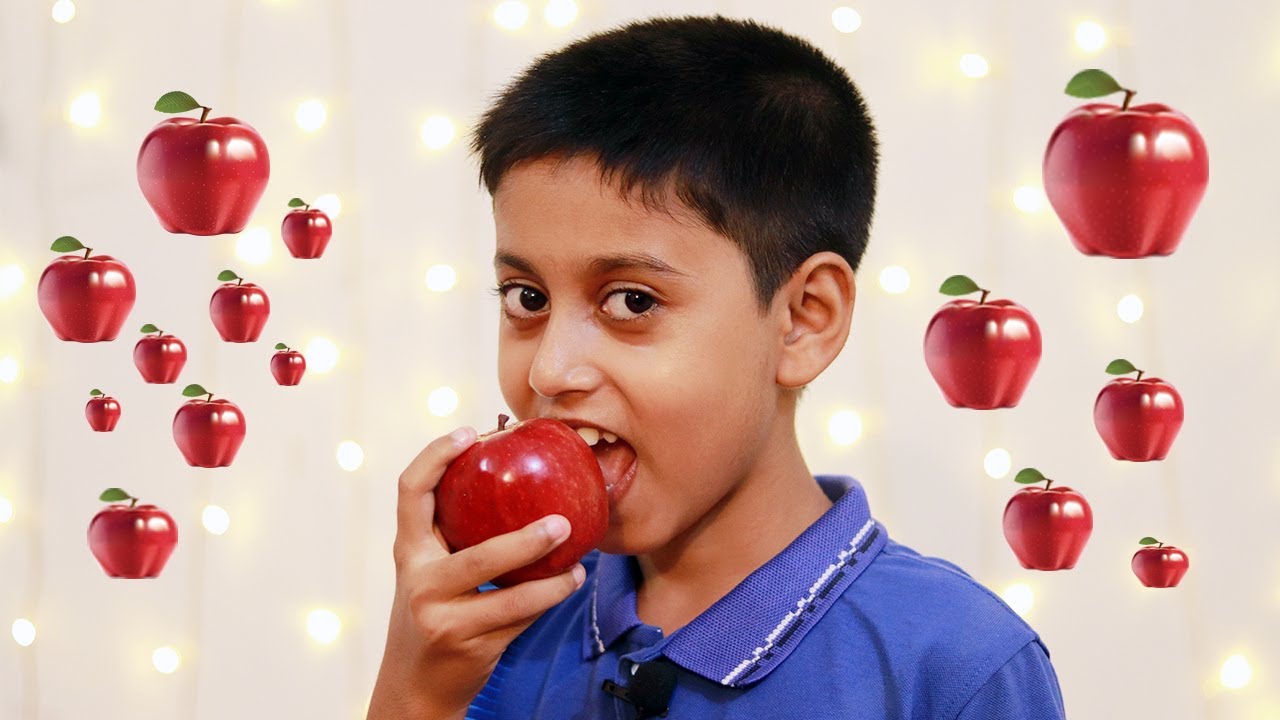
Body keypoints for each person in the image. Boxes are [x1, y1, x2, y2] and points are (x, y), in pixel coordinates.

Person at [369, 14, 1067, 720]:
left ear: (802, 320)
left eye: (632, 300)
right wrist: (413, 692)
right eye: (527, 298)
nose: (550, 370)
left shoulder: (956, 668)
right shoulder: (486, 630)